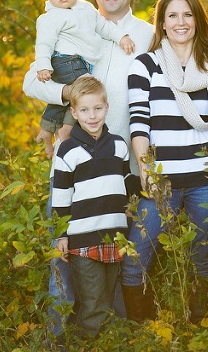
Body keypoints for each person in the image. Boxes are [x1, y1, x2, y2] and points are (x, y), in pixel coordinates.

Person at [23, 0, 155, 336]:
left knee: (116, 253)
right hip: (73, 162)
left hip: (121, 166)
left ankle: (114, 334)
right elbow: (31, 82)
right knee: (64, 252)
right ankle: (57, 335)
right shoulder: (73, 21)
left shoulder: (148, 35)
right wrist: (69, 94)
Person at [122, 0, 208, 323]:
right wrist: (146, 169)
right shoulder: (145, 65)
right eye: (172, 15)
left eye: (187, 14)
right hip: (162, 179)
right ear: (162, 23)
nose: (180, 22)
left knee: (205, 259)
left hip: (207, 179)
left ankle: (204, 327)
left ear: (198, 20)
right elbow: (139, 123)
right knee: (136, 258)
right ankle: (142, 331)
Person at [51, 77, 137, 340]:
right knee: (92, 304)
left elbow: (125, 180)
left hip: (115, 236)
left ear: (107, 108)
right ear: (74, 113)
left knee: (108, 299)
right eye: (85, 110)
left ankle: (109, 342)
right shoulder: (67, 151)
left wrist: (137, 197)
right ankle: (78, 343)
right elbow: (61, 197)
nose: (92, 116)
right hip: (83, 239)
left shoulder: (119, 145)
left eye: (97, 108)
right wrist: (61, 234)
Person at [34, 0, 135, 140]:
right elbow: (43, 44)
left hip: (81, 63)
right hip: (65, 61)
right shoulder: (50, 18)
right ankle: (65, 129)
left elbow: (104, 27)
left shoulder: (87, 9)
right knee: (89, 87)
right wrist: (43, 66)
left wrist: (121, 37)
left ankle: (49, 129)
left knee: (73, 98)